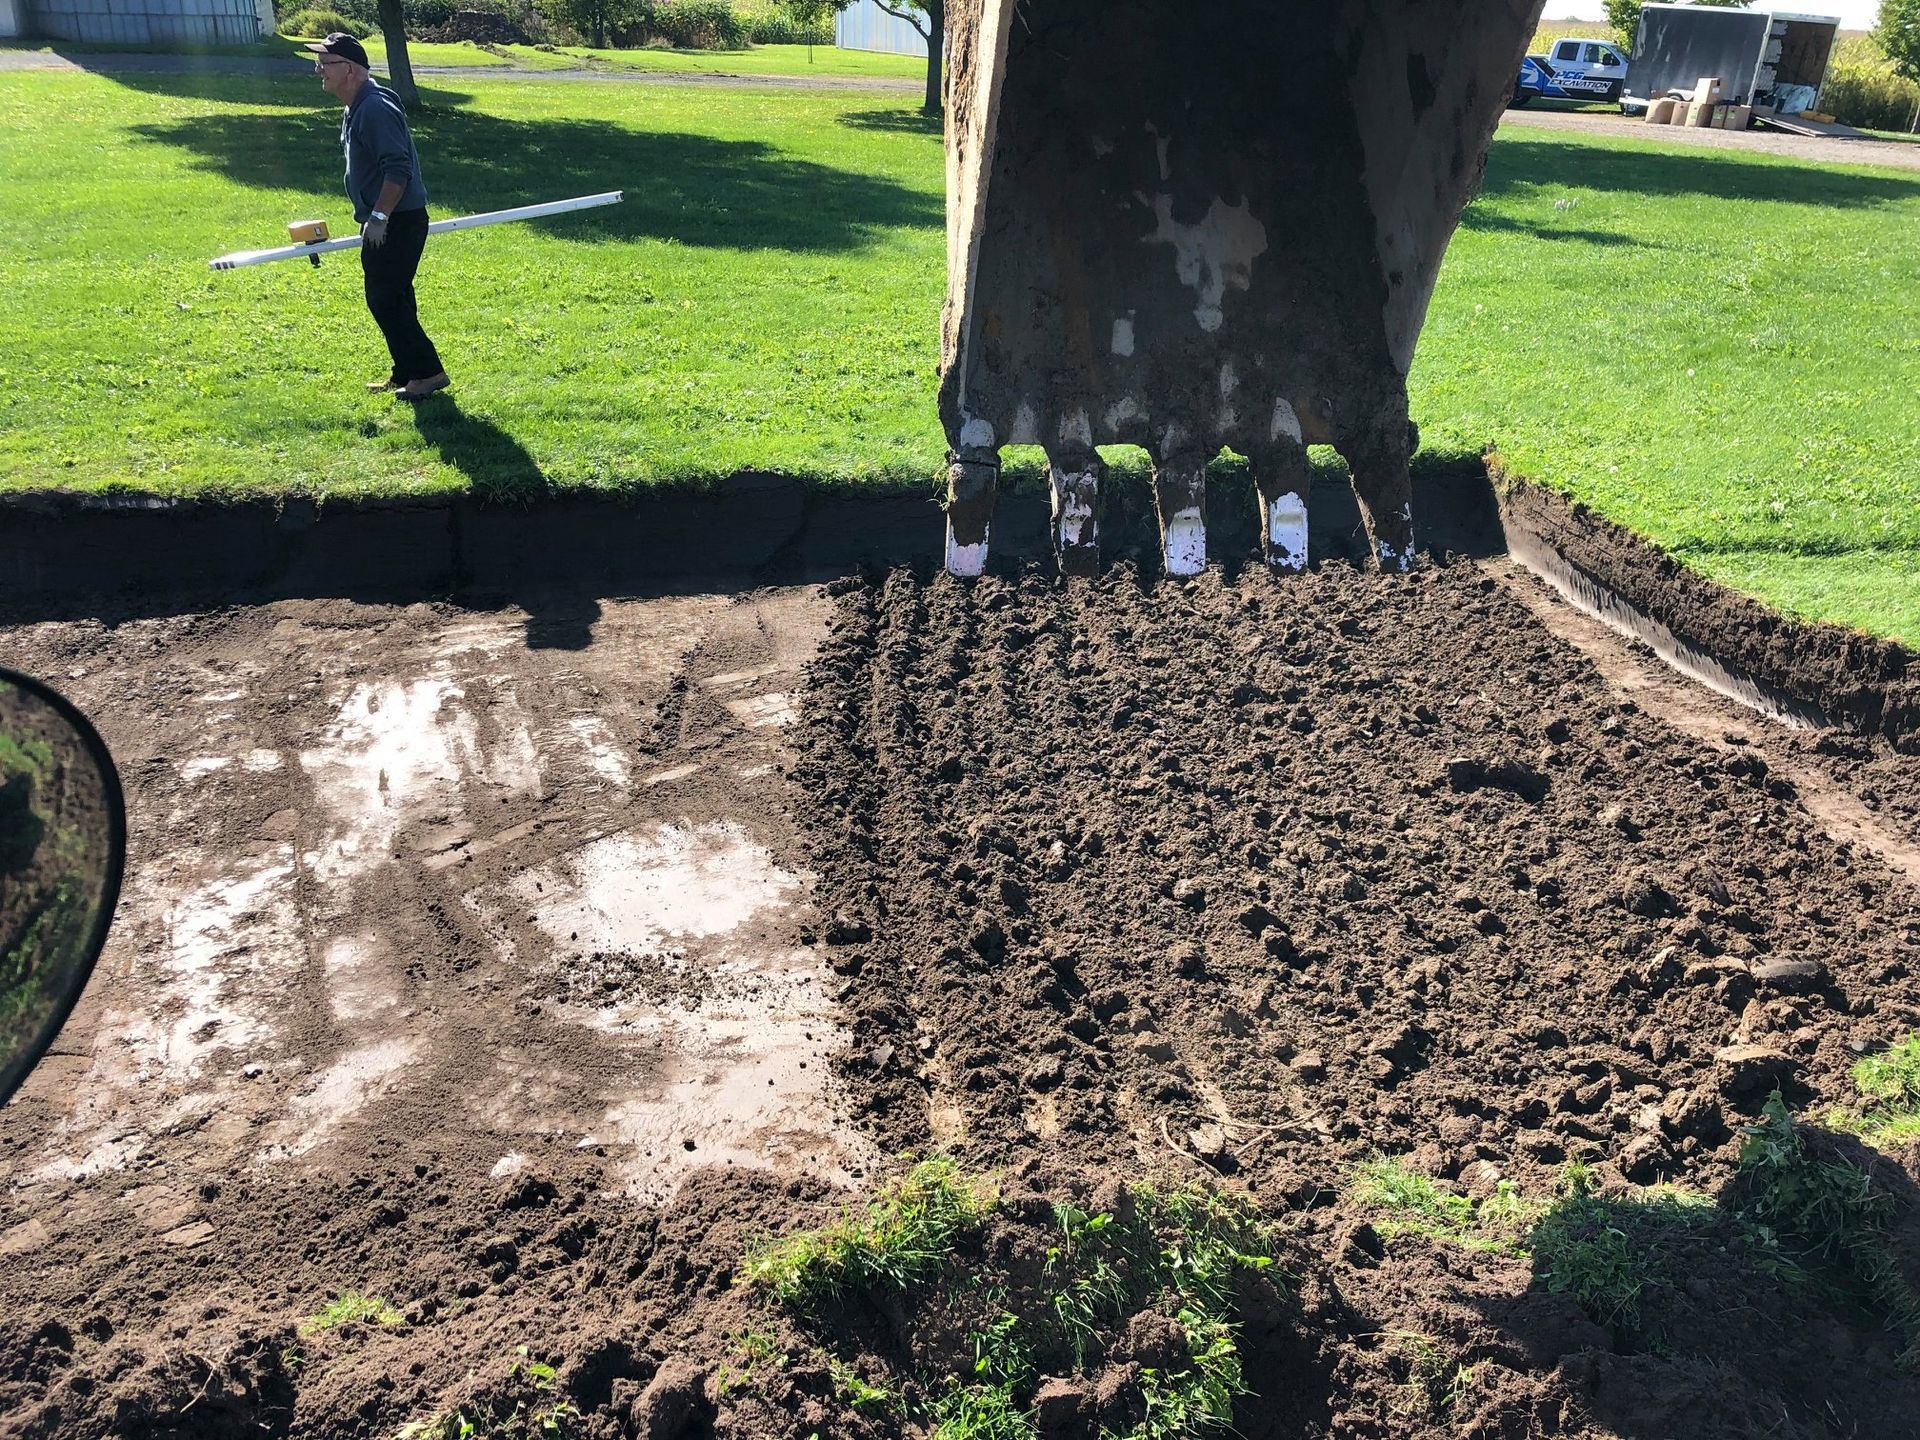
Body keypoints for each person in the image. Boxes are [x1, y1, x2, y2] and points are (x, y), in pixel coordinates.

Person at [307, 33, 450, 402]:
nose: (318, 69)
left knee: (384, 298)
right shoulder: (358, 105)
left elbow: (398, 169)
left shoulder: (373, 108)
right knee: (395, 296)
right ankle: (406, 372)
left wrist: (380, 216)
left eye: (326, 63)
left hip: (397, 220)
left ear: (350, 69)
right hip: (386, 219)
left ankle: (428, 372)